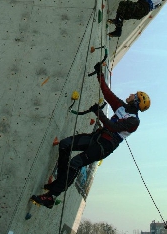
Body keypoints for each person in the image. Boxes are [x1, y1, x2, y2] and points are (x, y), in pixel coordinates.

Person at [30, 62, 151, 208]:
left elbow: (112, 127)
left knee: (75, 162)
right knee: (64, 145)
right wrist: (99, 74)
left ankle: (51, 196)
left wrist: (98, 113)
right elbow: (107, 93)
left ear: (137, 101)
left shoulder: (134, 121)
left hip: (105, 146)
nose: (131, 95)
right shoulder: (122, 107)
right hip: (97, 137)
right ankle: (58, 183)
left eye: (134, 95)